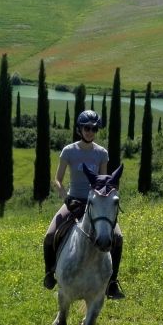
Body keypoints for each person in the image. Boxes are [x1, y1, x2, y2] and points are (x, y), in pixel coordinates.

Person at [43, 110, 125, 299]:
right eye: (86, 128)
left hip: (95, 203)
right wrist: (66, 198)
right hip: (73, 200)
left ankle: (112, 283)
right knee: (49, 235)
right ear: (80, 129)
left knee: (118, 237)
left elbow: (104, 182)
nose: (90, 132)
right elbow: (58, 179)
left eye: (94, 129)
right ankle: (49, 273)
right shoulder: (69, 151)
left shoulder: (101, 153)